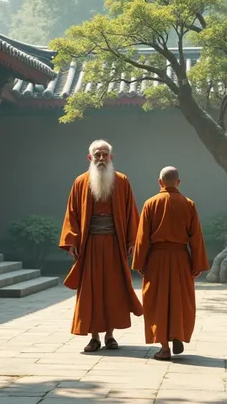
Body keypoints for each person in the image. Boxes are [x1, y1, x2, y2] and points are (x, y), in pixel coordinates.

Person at [59, 139, 144, 352]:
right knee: (91, 291)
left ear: (111, 157)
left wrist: (132, 241)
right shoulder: (80, 182)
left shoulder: (122, 181)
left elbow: (132, 213)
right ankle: (94, 337)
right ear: (90, 157)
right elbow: (72, 214)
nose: (101, 158)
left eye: (105, 154)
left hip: (115, 245)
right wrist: (72, 242)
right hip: (90, 246)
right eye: (97, 154)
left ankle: (110, 336)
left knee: (113, 290)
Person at [131, 166, 209, 361]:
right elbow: (196, 237)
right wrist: (198, 264)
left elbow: (142, 237)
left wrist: (139, 261)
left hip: (156, 259)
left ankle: (164, 347)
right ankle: (176, 334)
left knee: (156, 301)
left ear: (160, 182)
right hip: (181, 259)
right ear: (178, 182)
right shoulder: (188, 204)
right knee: (180, 300)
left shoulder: (150, 203)